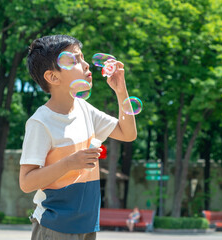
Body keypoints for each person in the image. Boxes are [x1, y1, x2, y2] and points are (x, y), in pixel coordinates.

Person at [19, 35, 137, 240]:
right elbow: (27, 182)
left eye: (82, 57)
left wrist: (120, 89)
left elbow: (128, 133)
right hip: (55, 227)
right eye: (74, 60)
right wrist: (69, 163)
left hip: (88, 224)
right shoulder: (40, 122)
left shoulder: (84, 109)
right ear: (53, 77)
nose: (85, 64)